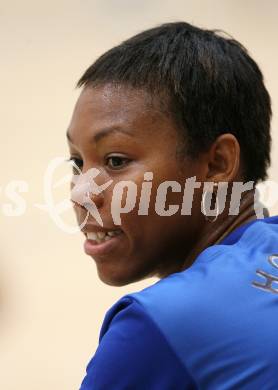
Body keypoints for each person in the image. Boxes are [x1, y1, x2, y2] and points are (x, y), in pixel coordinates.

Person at [66, 22, 278, 389]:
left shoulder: (158, 326)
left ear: (217, 164)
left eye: (115, 161)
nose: (81, 192)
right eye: (77, 163)